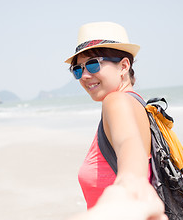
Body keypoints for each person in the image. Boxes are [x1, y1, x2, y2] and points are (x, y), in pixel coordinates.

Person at [65, 22, 167, 220]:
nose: (84, 75)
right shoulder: (138, 104)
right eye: (77, 69)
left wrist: (128, 188)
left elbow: (128, 144)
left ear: (123, 65)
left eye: (93, 64)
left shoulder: (116, 101)